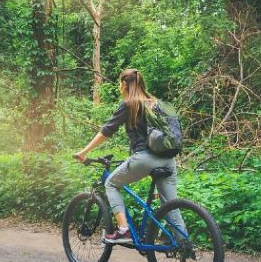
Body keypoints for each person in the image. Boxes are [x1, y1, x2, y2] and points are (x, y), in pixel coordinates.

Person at [72, 68, 187, 246]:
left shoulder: (129, 104)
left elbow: (106, 131)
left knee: (110, 183)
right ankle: (184, 253)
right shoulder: (155, 103)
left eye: (120, 83)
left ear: (124, 84)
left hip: (145, 158)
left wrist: (84, 152)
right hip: (168, 159)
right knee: (171, 207)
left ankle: (124, 230)